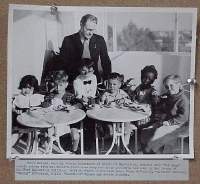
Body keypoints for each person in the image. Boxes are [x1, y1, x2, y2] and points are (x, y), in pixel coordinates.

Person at [143, 74, 189, 154]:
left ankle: (165, 153)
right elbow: (160, 102)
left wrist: (170, 122)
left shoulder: (183, 100)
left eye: (171, 85)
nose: (169, 89)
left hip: (180, 124)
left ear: (179, 85)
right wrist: (156, 98)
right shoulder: (168, 95)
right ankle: (152, 149)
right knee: (147, 130)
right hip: (167, 120)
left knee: (163, 133)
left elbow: (184, 117)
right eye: (167, 87)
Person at [60, 14, 111, 83]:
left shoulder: (99, 40)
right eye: (88, 29)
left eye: (93, 30)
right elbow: (63, 63)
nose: (91, 33)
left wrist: (107, 78)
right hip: (74, 80)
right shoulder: (68, 40)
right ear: (81, 24)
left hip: (94, 80)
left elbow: (105, 61)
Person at [42, 71, 81, 154]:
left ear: (66, 84)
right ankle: (48, 149)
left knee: (76, 136)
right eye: (55, 85)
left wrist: (72, 107)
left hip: (68, 122)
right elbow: (44, 105)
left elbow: (79, 104)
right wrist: (48, 103)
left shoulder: (70, 96)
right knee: (46, 134)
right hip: (54, 121)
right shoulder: (51, 95)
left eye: (60, 85)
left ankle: (74, 150)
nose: (58, 88)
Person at [99, 72, 132, 148]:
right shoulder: (106, 94)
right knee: (109, 127)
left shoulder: (122, 93)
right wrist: (102, 101)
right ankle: (112, 135)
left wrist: (123, 101)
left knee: (127, 126)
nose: (112, 86)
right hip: (110, 117)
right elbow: (101, 105)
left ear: (119, 85)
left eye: (114, 84)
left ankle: (125, 145)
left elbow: (129, 102)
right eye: (110, 84)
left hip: (122, 117)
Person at [12, 75, 44, 148]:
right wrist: (15, 110)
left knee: (35, 133)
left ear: (34, 88)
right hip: (21, 121)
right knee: (15, 134)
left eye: (29, 88)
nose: (27, 90)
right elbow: (13, 106)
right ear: (21, 87)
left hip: (34, 121)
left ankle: (33, 147)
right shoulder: (19, 98)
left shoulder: (37, 97)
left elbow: (42, 106)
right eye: (24, 87)